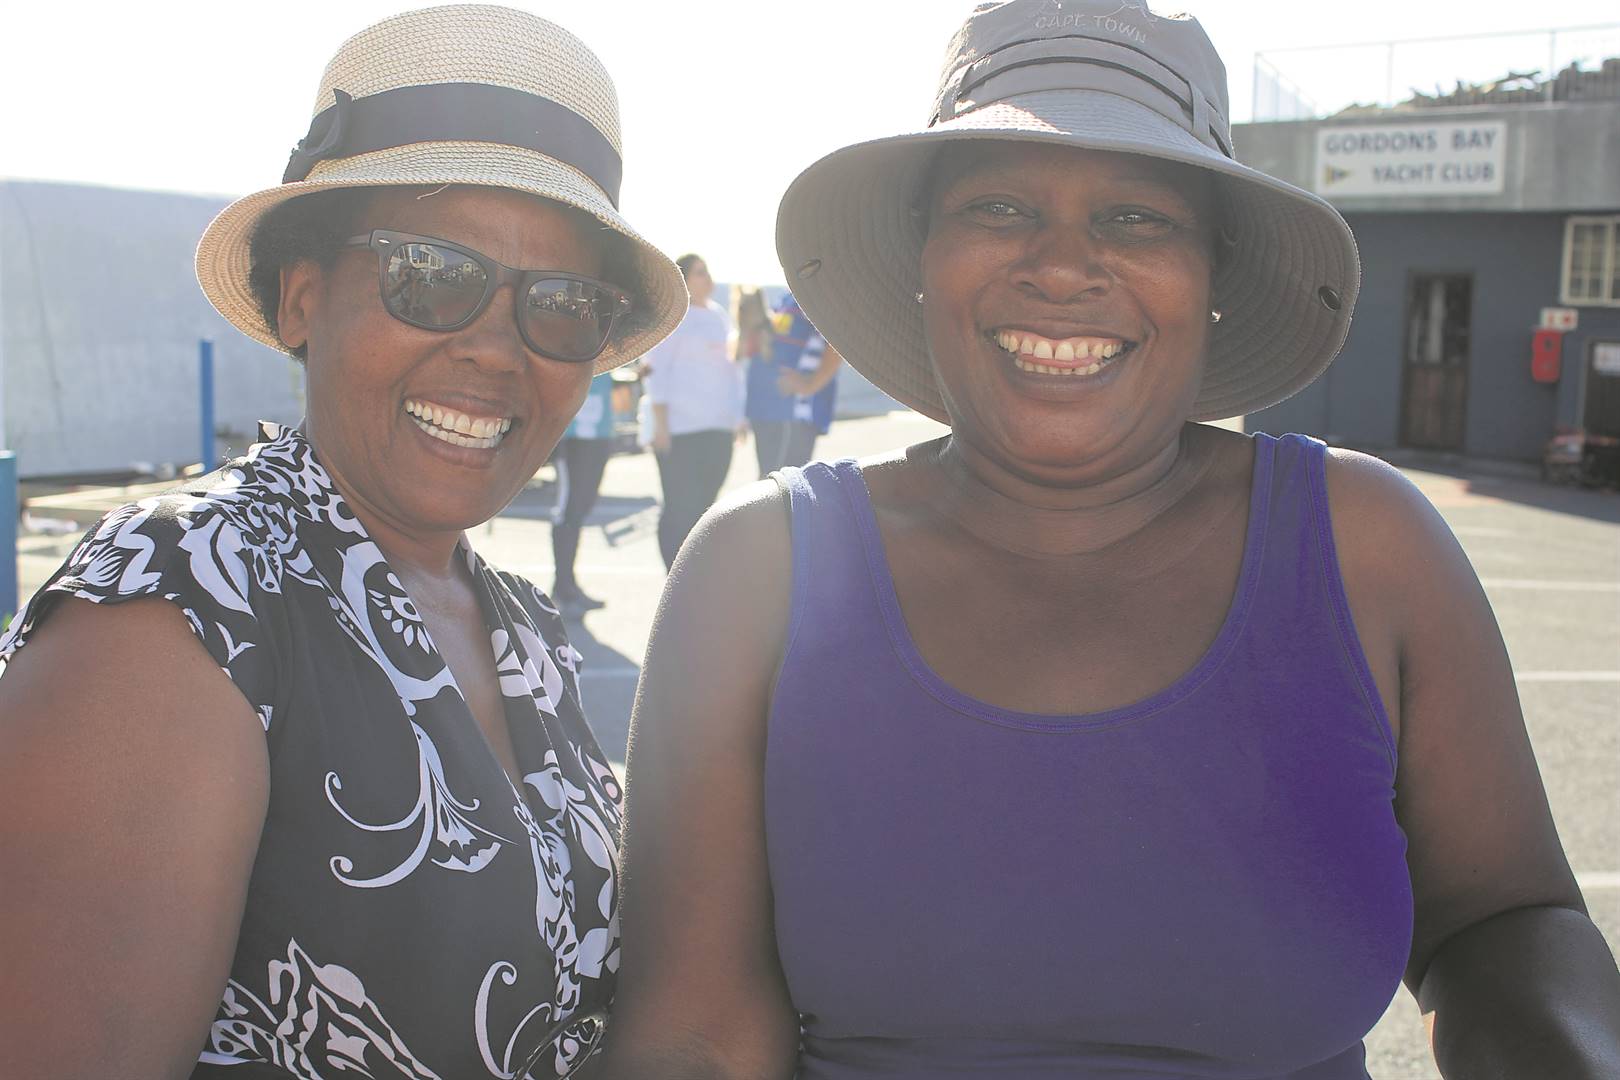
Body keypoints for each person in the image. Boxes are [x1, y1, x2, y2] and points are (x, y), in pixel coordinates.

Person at [600, 2, 1620, 1077]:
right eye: (999, 206)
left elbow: (1499, 921)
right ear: (921, 256)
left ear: (1214, 277)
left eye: (1137, 218)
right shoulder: (759, 572)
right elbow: (695, 1034)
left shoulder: (1368, 548)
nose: (1061, 267)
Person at [0, 7, 686, 1079]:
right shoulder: (179, 607)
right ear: (302, 298)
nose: (497, 350)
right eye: (432, 274)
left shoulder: (523, 627)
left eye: (562, 306)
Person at [641, 254, 743, 568]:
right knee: (678, 507)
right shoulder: (672, 319)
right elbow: (655, 371)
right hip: (679, 430)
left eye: (707, 271)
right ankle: (673, 575)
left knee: (705, 507)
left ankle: (694, 573)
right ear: (683, 280)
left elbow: (732, 372)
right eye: (700, 272)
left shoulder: (718, 316)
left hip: (717, 427)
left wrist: (737, 418)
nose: (707, 277)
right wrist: (661, 425)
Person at [745, 291, 844, 476]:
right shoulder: (786, 298)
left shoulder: (818, 296)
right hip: (768, 411)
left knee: (785, 483)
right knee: (767, 480)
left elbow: (839, 342)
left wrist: (810, 385)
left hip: (795, 413)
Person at [551, 372, 618, 617]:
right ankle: (562, 590)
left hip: (599, 432)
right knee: (567, 511)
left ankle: (569, 585)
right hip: (572, 435)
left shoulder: (607, 351)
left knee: (581, 508)